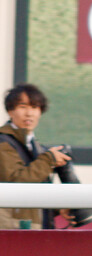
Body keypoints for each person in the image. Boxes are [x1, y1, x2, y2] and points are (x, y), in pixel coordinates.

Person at [0, 84, 72, 229]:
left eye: (34, 107)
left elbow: (36, 188)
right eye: (23, 106)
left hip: (31, 225)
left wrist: (57, 209)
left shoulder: (33, 144)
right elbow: (16, 180)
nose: (29, 113)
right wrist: (48, 159)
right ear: (10, 110)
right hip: (13, 227)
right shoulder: (3, 141)